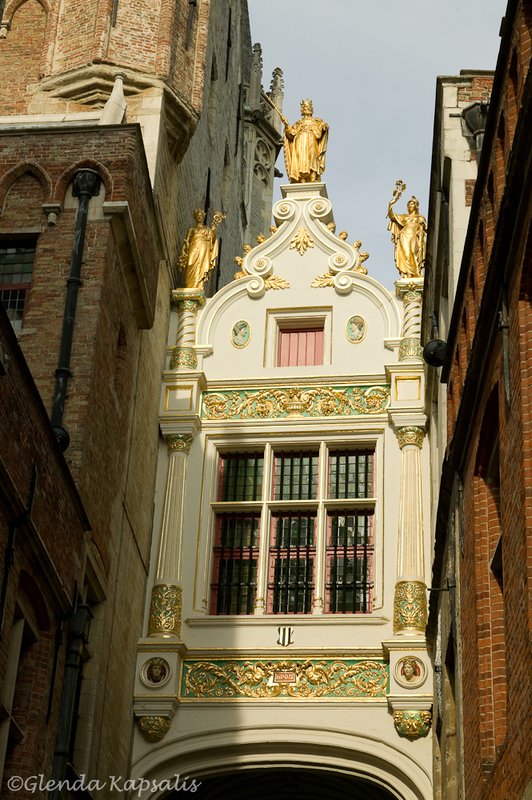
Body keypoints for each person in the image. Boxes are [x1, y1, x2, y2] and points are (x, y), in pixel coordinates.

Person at [178, 208, 225, 289]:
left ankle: (198, 284)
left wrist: (214, 229)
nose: (200, 217)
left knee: (201, 263)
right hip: (193, 247)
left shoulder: (207, 229)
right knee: (190, 263)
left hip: (203, 247)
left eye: (201, 216)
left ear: (203, 217)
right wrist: (184, 251)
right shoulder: (191, 229)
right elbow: (186, 242)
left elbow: (213, 240)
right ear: (195, 217)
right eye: (198, 216)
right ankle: (189, 285)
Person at [284, 99, 329, 183]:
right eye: (305, 107)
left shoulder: (316, 121)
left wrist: (324, 127)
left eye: (309, 107)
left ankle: (313, 176)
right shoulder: (298, 123)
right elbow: (291, 135)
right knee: (300, 158)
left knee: (312, 156)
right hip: (300, 141)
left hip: (312, 139)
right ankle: (301, 178)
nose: (307, 109)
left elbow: (320, 132)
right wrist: (287, 126)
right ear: (302, 109)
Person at [387, 190, 427, 278]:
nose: (409, 206)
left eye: (411, 204)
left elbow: (424, 229)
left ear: (416, 206)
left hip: (414, 237)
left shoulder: (420, 217)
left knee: (414, 253)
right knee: (407, 255)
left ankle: (416, 272)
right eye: (408, 205)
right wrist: (392, 202)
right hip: (404, 236)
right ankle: (408, 274)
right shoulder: (404, 216)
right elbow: (392, 216)